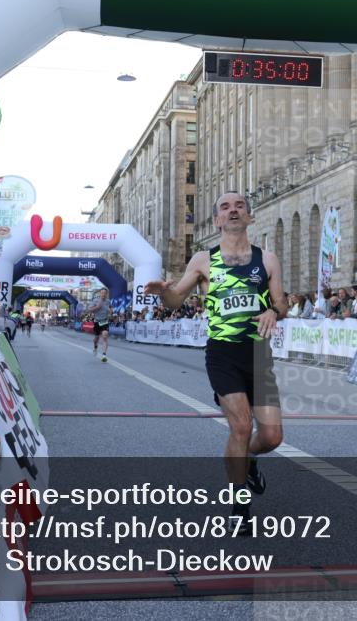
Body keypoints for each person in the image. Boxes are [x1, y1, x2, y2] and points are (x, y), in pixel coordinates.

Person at [145, 192, 286, 535]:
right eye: (225, 207)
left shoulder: (267, 259)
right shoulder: (203, 260)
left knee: (271, 437)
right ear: (217, 221)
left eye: (239, 206)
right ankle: (240, 504)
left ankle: (248, 460)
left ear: (250, 217)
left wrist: (272, 310)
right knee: (240, 427)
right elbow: (177, 299)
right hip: (222, 353)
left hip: (258, 355)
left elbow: (282, 303)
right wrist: (164, 291)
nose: (233, 210)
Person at [85, 288, 112, 361]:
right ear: (100, 294)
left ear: (107, 294)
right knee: (96, 339)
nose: (103, 294)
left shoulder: (108, 301)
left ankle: (104, 355)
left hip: (104, 321)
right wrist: (97, 307)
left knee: (105, 335)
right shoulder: (95, 301)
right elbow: (89, 309)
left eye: (105, 293)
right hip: (97, 321)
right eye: (102, 293)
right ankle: (95, 347)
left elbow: (110, 309)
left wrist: (110, 312)